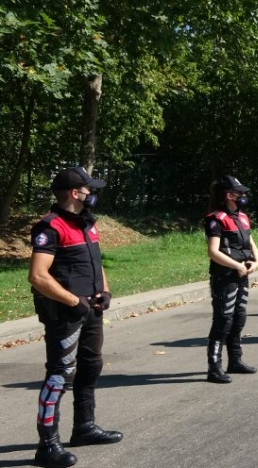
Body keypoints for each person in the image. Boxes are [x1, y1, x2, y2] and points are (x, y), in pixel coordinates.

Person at [29, 167, 122, 468]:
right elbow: (38, 276)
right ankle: (48, 445)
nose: (92, 194)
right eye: (88, 189)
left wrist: (104, 292)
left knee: (90, 366)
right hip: (65, 314)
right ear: (74, 193)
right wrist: (73, 301)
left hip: (91, 310)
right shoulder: (50, 227)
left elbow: (97, 262)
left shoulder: (87, 222)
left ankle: (84, 428)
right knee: (60, 374)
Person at [203, 175, 258, 384]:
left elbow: (251, 243)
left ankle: (235, 360)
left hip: (242, 275)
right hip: (224, 276)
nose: (243, 196)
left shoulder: (243, 217)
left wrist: (256, 261)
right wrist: (236, 265)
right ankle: (214, 367)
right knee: (223, 321)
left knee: (239, 318)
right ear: (229, 195)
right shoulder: (215, 219)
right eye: (239, 193)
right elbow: (213, 251)